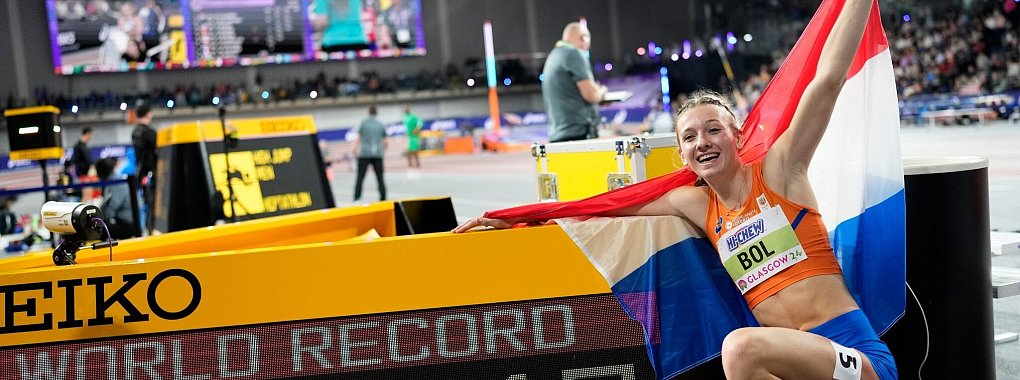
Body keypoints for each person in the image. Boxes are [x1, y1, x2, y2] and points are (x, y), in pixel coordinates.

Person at [455, 0, 895, 379]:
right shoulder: (695, 204)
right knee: (746, 351)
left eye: (712, 130)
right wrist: (515, 217)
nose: (701, 142)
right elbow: (605, 208)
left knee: (740, 347)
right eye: (689, 137)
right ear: (682, 155)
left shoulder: (781, 172)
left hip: (853, 358)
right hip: (786, 365)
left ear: (738, 137)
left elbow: (827, 80)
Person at [541, 22, 608, 143]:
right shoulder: (573, 54)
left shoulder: (553, 55)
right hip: (578, 132)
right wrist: (602, 92)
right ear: (583, 38)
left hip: (558, 133)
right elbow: (591, 95)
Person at [352, 105, 387, 202]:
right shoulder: (380, 124)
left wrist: (354, 149)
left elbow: (358, 137)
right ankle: (383, 198)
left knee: (360, 177)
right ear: (376, 112)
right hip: (377, 154)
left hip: (364, 154)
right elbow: (385, 142)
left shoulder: (363, 123)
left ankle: (357, 198)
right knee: (380, 178)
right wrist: (382, 150)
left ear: (368, 112)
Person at [131, 103, 157, 233]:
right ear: (148, 114)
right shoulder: (149, 133)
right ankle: (152, 228)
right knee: (153, 202)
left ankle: (149, 227)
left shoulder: (135, 132)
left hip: (141, 172)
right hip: (150, 172)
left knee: (147, 202)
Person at [96, 157, 135, 239]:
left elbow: (113, 205)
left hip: (128, 225)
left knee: (97, 228)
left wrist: (101, 219)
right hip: (122, 220)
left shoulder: (116, 182)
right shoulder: (113, 179)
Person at [403, 103, 422, 177]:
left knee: (415, 152)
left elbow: (420, 123)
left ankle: (418, 165)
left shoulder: (413, 116)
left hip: (414, 137)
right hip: (408, 137)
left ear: (409, 109)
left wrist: (417, 129)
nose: (405, 110)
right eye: (404, 108)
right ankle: (410, 166)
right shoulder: (404, 117)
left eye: (406, 108)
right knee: (408, 152)